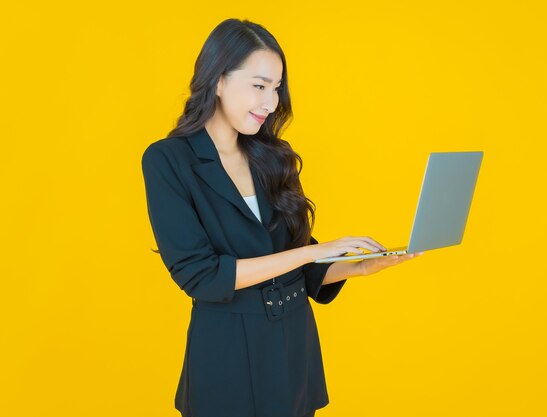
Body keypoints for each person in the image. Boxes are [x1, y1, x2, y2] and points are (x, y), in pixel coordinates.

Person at [141, 18, 422, 417]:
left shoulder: (270, 156)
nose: (271, 103)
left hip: (292, 349)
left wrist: (357, 267)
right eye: (259, 86)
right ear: (217, 80)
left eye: (276, 89)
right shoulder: (168, 161)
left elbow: (298, 265)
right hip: (227, 358)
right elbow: (201, 276)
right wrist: (313, 253)